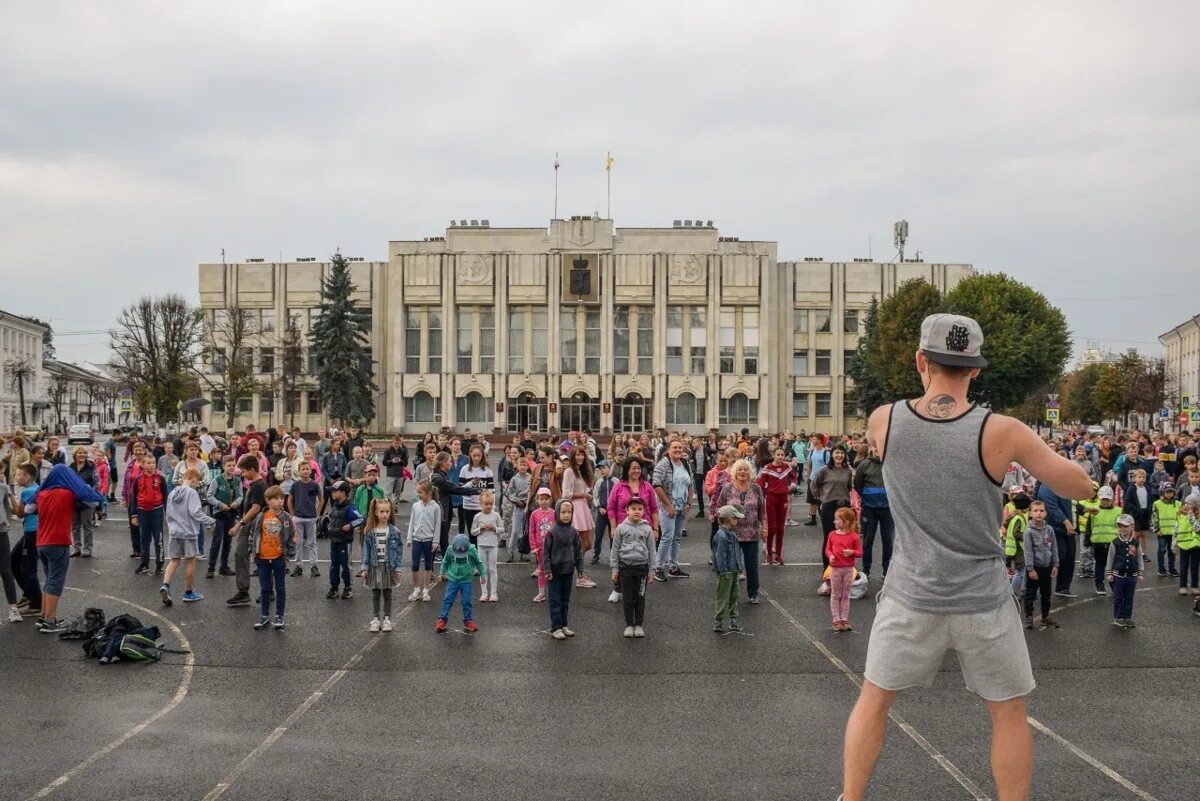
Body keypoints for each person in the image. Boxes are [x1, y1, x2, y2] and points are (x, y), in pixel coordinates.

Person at [841, 313, 1092, 801]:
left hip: (911, 594)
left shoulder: (883, 419)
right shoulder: (1004, 431)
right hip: (983, 598)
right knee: (1009, 712)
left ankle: (850, 798)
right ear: (975, 369)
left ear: (921, 360)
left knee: (873, 701)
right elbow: (1077, 484)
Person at [29, 463, 105, 632]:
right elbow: (90, 500)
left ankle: (44, 616)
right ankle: (50, 620)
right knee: (56, 581)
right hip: (59, 542)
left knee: (49, 580)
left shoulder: (41, 494)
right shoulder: (67, 494)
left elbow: (28, 508)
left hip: (41, 542)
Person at [712, 459, 768, 604]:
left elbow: (762, 511)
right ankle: (731, 594)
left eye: (745, 469)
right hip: (731, 533)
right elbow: (720, 508)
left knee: (752, 565)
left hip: (752, 533)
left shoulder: (756, 489)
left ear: (750, 472)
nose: (743, 472)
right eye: (740, 469)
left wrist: (765, 528)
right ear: (734, 472)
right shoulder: (727, 488)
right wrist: (722, 526)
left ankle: (753, 593)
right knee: (732, 565)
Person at [161, 468, 215, 606]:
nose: (198, 485)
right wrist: (211, 520)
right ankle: (188, 592)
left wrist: (172, 527)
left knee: (174, 561)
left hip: (174, 532)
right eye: (198, 482)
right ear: (193, 479)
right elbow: (195, 513)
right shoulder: (192, 493)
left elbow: (168, 514)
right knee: (190, 561)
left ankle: (165, 585)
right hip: (189, 533)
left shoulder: (172, 493)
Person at [248, 486, 296, 630]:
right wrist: (253, 553)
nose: (280, 501)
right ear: (268, 501)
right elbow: (254, 535)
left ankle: (279, 616)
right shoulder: (261, 516)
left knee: (280, 588)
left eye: (282, 498)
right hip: (262, 558)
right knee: (265, 588)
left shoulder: (286, 517)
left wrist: (289, 554)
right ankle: (264, 616)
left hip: (278, 558)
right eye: (276, 499)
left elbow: (291, 536)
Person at [226, 456, 268, 608]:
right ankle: (243, 592)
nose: (242, 474)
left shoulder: (259, 486)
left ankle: (266, 591)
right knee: (241, 554)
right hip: (249, 524)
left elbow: (255, 508)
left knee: (261, 558)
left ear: (252, 469)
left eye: (244, 471)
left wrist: (239, 525)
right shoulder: (254, 484)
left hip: (253, 525)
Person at [610, 495, 656, 638]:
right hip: (626, 569)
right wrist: (615, 569)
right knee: (628, 598)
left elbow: (652, 550)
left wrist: (652, 570)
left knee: (640, 597)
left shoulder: (647, 529)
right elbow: (615, 550)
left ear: (643, 511)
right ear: (626, 510)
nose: (637, 511)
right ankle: (629, 625)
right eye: (633, 508)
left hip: (642, 569)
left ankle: (639, 625)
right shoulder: (621, 528)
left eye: (640, 509)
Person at [652, 439, 694, 581]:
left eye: (680, 448)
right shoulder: (663, 464)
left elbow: (690, 484)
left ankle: (673, 568)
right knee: (667, 537)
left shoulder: (685, 464)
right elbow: (656, 485)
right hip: (667, 508)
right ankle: (658, 568)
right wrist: (668, 505)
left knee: (676, 538)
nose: (678, 450)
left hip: (682, 507)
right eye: (675, 447)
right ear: (668, 450)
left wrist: (689, 502)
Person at [360, 497, 403, 633]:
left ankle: (387, 619)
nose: (385, 514)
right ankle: (375, 619)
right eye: (382, 511)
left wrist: (397, 568)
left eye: (387, 511)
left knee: (388, 594)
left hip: (388, 567)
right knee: (376, 593)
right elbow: (366, 552)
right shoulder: (370, 532)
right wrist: (365, 568)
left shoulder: (395, 531)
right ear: (376, 513)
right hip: (374, 567)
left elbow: (399, 552)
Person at [853, 443, 893, 580]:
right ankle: (866, 569)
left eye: (879, 446)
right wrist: (867, 499)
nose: (877, 449)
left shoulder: (890, 463)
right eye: (874, 446)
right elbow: (857, 484)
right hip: (869, 509)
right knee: (868, 540)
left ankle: (887, 570)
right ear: (871, 448)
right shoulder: (864, 465)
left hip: (888, 508)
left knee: (887, 540)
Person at [811, 446, 852, 569]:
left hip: (844, 506)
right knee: (829, 537)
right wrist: (819, 499)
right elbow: (814, 485)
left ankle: (842, 565)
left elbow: (849, 486)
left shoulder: (847, 471)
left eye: (841, 453)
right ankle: (827, 568)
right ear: (832, 455)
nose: (839, 455)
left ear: (844, 455)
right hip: (829, 506)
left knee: (845, 536)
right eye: (836, 453)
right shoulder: (824, 470)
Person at [1036, 476, 1078, 599]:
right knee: (1055, 557)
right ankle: (1038, 586)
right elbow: (1051, 506)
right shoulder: (1047, 486)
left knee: (1069, 556)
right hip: (1053, 528)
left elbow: (1070, 504)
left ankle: (1063, 587)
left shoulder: (1062, 485)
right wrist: (1065, 521)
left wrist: (1085, 509)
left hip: (1066, 529)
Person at [562, 446, 597, 588]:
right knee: (582, 544)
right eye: (577, 455)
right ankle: (580, 575)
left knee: (587, 544)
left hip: (583, 508)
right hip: (576, 508)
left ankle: (570, 562)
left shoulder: (581, 472)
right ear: (572, 456)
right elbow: (565, 494)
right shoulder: (569, 471)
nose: (580, 457)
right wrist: (583, 495)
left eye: (582, 455)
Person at [1021, 501, 1059, 630]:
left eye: (1041, 511)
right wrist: (1030, 569)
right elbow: (1028, 551)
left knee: (1046, 594)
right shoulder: (1028, 532)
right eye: (1036, 511)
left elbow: (1054, 547)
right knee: (1030, 594)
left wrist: (1055, 564)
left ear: (1045, 513)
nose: (1039, 513)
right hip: (1034, 568)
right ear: (1030, 513)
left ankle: (1045, 616)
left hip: (1047, 567)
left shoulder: (1050, 530)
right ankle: (1029, 617)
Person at [825, 507, 863, 633]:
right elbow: (828, 549)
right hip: (835, 569)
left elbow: (859, 552)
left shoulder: (854, 537)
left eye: (837, 519)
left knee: (846, 595)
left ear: (846, 522)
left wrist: (851, 552)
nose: (834, 521)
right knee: (835, 594)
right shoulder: (832, 535)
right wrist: (830, 556)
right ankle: (836, 619)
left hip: (848, 569)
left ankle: (844, 619)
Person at [436, 533, 484, 634]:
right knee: (448, 599)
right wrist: (442, 573)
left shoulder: (472, 550)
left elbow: (478, 562)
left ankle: (468, 620)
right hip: (453, 579)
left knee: (467, 601)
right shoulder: (450, 549)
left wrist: (483, 574)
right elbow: (445, 562)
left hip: (466, 580)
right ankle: (442, 619)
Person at [756, 448, 795, 566]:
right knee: (772, 528)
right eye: (778, 454)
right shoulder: (767, 467)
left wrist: (792, 486)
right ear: (774, 455)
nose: (780, 457)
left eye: (782, 455)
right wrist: (760, 498)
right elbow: (760, 484)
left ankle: (778, 554)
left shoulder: (787, 467)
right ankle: (769, 554)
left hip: (783, 498)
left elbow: (794, 477)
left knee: (781, 528)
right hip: (771, 499)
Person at [326, 480, 364, 600]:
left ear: (343, 493)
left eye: (335, 491)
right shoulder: (335, 505)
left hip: (344, 541)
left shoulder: (350, 507)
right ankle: (334, 587)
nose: (332, 493)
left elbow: (361, 519)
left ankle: (348, 588)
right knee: (334, 565)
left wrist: (350, 525)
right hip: (334, 539)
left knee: (346, 565)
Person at [12, 463, 42, 618]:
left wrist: (11, 496)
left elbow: (20, 514)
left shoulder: (27, 492)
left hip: (32, 532)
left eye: (19, 475)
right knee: (14, 560)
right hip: (31, 532)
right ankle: (28, 592)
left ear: (27, 476)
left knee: (28, 568)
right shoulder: (36, 488)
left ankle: (36, 604)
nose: (17, 477)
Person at [205, 455, 242, 579]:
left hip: (231, 514)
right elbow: (209, 496)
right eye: (229, 465)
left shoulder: (238, 480)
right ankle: (211, 567)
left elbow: (241, 495)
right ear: (223, 466)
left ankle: (224, 567)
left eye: (233, 465)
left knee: (228, 541)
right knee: (217, 541)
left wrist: (237, 502)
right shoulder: (217, 480)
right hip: (219, 514)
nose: (231, 467)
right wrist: (220, 504)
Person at [131, 453, 167, 576]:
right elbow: (134, 498)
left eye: (153, 463)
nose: (151, 465)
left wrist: (166, 513)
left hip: (156, 511)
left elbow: (166, 496)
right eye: (148, 463)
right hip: (142, 512)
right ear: (143, 464)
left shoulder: (160, 478)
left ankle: (159, 564)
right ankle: (144, 563)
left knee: (159, 540)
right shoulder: (138, 479)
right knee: (144, 539)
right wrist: (134, 515)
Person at [287, 460, 324, 578]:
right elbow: (289, 500)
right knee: (298, 543)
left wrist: (317, 513)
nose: (305, 471)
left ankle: (314, 565)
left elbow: (321, 500)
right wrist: (292, 515)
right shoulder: (295, 485)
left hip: (311, 518)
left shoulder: (314, 484)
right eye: (303, 469)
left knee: (312, 542)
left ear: (310, 470)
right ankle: (299, 566)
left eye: (307, 469)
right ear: (299, 471)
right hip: (298, 517)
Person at [1106, 514, 1143, 628]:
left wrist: (1140, 572)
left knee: (1129, 597)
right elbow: (1110, 558)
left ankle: (1127, 617)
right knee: (1118, 597)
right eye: (1120, 526)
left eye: (1125, 526)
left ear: (1132, 527)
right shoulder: (1115, 542)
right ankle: (1118, 617)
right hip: (1118, 576)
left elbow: (1139, 558)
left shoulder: (1136, 543)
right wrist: (1109, 572)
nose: (1122, 529)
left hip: (1132, 575)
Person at [712, 505, 743, 634]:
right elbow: (720, 556)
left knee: (734, 595)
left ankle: (733, 620)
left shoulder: (731, 534)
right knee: (723, 596)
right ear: (729, 519)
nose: (737, 520)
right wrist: (723, 571)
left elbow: (736, 553)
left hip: (734, 570)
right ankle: (718, 621)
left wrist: (739, 567)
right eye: (735, 518)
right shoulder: (722, 536)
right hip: (726, 572)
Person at [1085, 486, 1121, 595]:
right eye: (1103, 499)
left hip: (1113, 544)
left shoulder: (1118, 511)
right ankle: (1099, 585)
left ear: (1112, 499)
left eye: (1107, 499)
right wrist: (1087, 540)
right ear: (1099, 498)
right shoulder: (1094, 510)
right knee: (1100, 565)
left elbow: (1121, 528)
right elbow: (1089, 526)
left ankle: (1114, 585)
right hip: (1098, 543)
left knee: (1114, 565)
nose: (1105, 501)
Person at [471, 490, 504, 603]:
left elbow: (502, 529)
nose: (489, 506)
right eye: (486, 504)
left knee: (493, 569)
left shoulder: (496, 515)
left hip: (493, 546)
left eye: (491, 503)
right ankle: (484, 593)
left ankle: (493, 592)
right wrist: (481, 528)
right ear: (481, 504)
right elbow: (472, 532)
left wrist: (494, 528)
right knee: (483, 569)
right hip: (481, 546)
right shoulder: (477, 516)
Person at [67, 446, 98, 558]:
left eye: (84, 453)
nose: (82, 455)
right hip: (73, 501)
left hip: (87, 501)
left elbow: (96, 483)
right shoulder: (70, 468)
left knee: (87, 525)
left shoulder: (91, 467)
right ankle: (76, 548)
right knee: (75, 526)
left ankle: (87, 548)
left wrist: (90, 492)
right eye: (79, 453)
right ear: (75, 455)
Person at [0, 463, 21, 623]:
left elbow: (10, 508)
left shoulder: (3, 488)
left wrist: (7, 522)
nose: (2, 474)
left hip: (1, 533)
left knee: (6, 571)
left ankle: (13, 609)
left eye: (2, 471)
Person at [528, 487, 556, 603]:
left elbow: (557, 530)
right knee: (541, 570)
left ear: (550, 500)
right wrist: (533, 546)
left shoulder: (554, 513)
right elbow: (532, 531)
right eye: (541, 498)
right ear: (537, 500)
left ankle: (554, 593)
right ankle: (541, 593)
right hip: (540, 548)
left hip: (552, 548)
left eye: (546, 499)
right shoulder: (534, 514)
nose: (544, 501)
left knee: (553, 570)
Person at [1122, 469, 1153, 565]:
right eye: (1139, 477)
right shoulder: (1132, 488)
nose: (1142, 479)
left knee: (1143, 534)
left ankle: (1143, 553)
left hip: (1145, 514)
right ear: (1135, 478)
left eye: (1143, 477)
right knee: (1135, 534)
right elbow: (1127, 502)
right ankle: (1133, 553)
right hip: (1136, 514)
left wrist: (1149, 509)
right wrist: (1136, 510)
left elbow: (1150, 500)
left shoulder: (1147, 488)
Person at [1151, 483, 1180, 577]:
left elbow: (1180, 518)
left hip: (1174, 533)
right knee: (1161, 551)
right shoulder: (1157, 504)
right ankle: (1161, 569)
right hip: (1162, 532)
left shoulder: (1178, 504)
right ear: (1163, 492)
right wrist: (1156, 529)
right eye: (1167, 492)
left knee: (1172, 551)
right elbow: (1154, 517)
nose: (1169, 494)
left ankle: (1172, 569)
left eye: (1171, 492)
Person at [1174, 494, 1200, 597]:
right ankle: (1182, 586)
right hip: (1183, 545)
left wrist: (1192, 517)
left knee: (1194, 567)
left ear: (1195, 505)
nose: (1187, 505)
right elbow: (1176, 531)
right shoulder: (1180, 515)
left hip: (1195, 546)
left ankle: (1194, 586)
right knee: (1183, 567)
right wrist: (1174, 545)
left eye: (1189, 503)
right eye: (1185, 503)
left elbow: (1198, 528)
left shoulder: (1197, 517)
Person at [590, 461, 615, 566]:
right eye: (600, 469)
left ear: (609, 468)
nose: (602, 470)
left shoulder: (616, 481)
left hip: (613, 512)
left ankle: (614, 556)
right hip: (602, 512)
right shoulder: (599, 482)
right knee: (598, 533)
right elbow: (595, 496)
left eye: (604, 468)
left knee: (613, 534)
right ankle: (596, 554)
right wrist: (599, 507)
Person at [383, 434, 409, 505]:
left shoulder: (403, 451)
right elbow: (384, 462)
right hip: (390, 474)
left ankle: (395, 507)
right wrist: (392, 461)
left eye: (398, 443)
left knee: (398, 492)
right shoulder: (388, 451)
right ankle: (387, 506)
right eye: (395, 443)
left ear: (400, 443)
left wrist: (400, 461)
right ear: (392, 443)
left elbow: (405, 463)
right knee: (388, 492)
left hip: (400, 474)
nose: (396, 445)